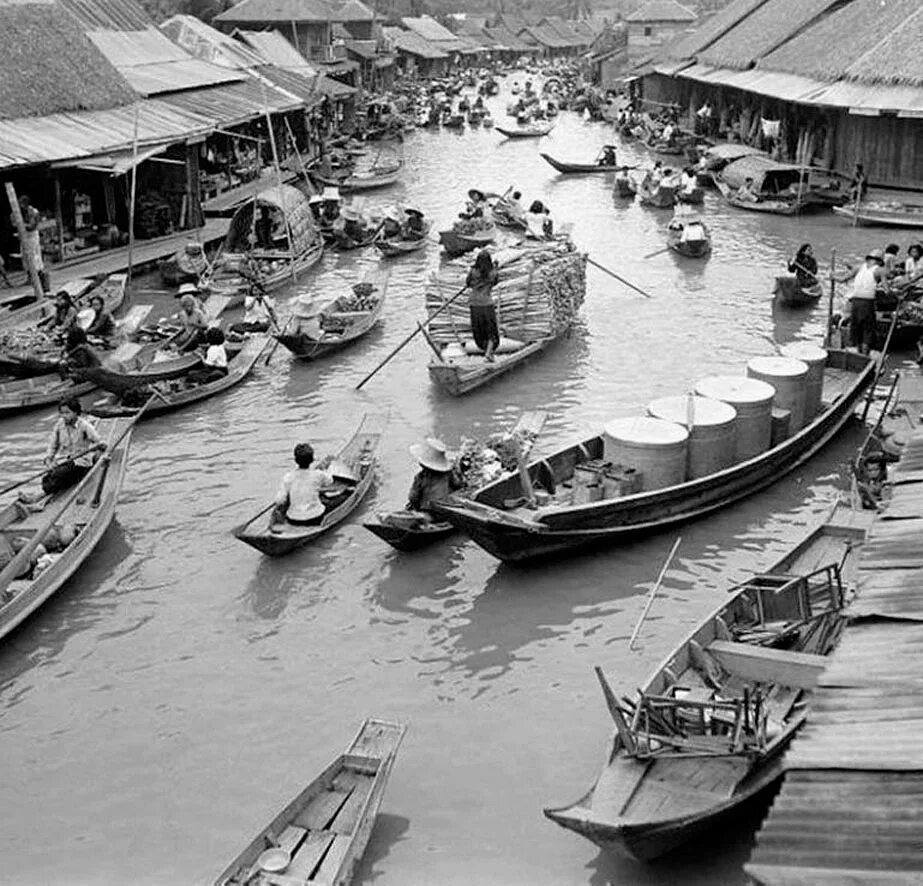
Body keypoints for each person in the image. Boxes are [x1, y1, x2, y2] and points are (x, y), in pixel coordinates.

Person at [41, 397, 105, 495]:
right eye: (62, 413)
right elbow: (53, 445)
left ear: (76, 413)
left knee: (57, 475)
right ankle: (43, 497)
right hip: (65, 461)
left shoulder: (84, 426)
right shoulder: (59, 425)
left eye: (67, 413)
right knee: (46, 478)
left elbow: (99, 442)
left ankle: (40, 500)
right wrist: (49, 459)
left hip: (80, 463)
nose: (64, 416)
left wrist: (100, 448)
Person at [271, 443, 334, 526]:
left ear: (295, 460)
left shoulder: (288, 477)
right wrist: (326, 470)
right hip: (316, 517)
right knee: (335, 499)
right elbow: (330, 481)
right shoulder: (318, 474)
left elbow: (279, 500)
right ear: (312, 460)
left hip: (293, 519)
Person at [837, 249, 886, 355]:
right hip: (868, 303)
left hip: (855, 303)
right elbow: (886, 289)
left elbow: (842, 279)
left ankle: (859, 353)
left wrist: (832, 276)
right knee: (867, 330)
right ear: (879, 261)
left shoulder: (858, 267)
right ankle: (864, 355)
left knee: (857, 328)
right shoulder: (880, 270)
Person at [406, 438, 464, 517]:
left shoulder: (421, 477)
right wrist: (458, 472)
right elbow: (458, 484)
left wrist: (414, 506)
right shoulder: (447, 473)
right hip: (445, 509)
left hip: (427, 511)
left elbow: (413, 497)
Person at [466, 249, 500, 362]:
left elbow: (468, 283)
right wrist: (495, 267)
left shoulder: (473, 271)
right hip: (486, 304)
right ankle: (488, 354)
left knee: (479, 330)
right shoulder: (493, 272)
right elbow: (495, 282)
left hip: (474, 303)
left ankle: (488, 353)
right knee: (491, 331)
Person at [12, 194, 50, 294]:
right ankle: (31, 278)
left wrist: (21, 224)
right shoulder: (18, 212)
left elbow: (32, 226)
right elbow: (13, 223)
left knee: (35, 260)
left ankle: (44, 283)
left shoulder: (34, 212)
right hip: (23, 237)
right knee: (25, 259)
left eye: (21, 204)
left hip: (32, 237)